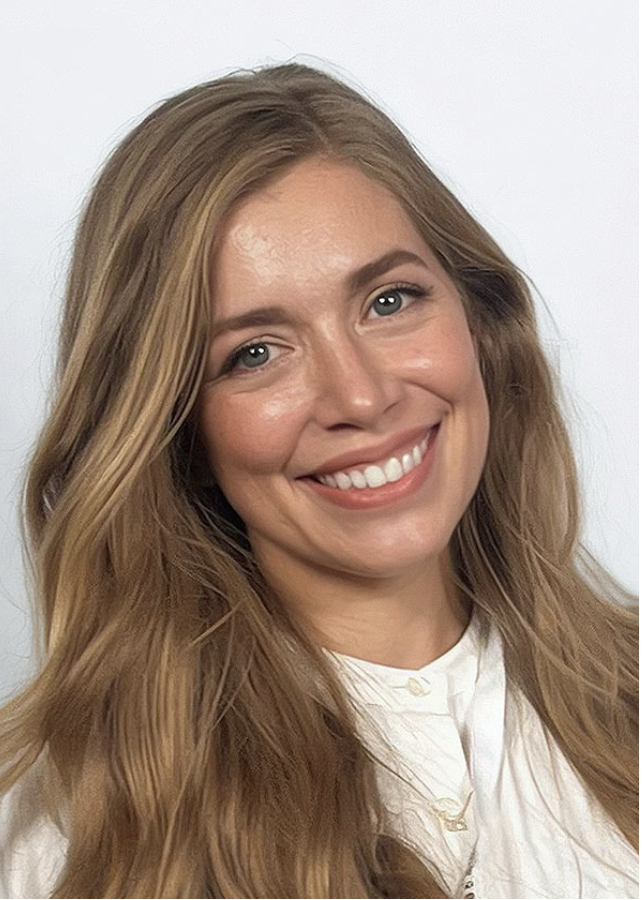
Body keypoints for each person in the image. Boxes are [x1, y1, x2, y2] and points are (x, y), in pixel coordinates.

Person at [0, 61, 637, 899]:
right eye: (253, 354)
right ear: (172, 428)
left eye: (389, 301)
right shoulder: (62, 831)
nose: (362, 397)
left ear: (480, 319)